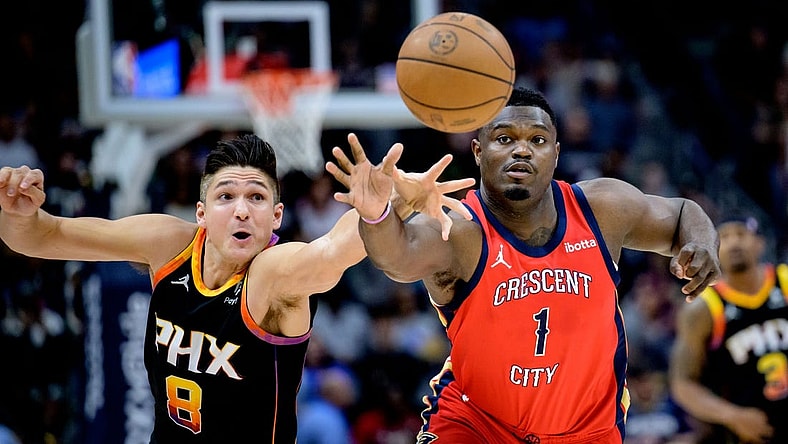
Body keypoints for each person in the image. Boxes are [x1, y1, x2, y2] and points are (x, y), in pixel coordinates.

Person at [0, 133, 474, 443]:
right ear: (202, 212)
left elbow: (329, 254)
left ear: (277, 217)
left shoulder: (271, 276)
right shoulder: (167, 244)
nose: (242, 210)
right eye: (226, 196)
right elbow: (44, 235)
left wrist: (381, 209)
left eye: (256, 197)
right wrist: (16, 211)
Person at [326, 86, 721, 443]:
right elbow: (397, 257)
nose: (522, 150)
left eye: (537, 139)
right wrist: (378, 213)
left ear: (556, 153)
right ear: (478, 151)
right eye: (504, 139)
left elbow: (683, 212)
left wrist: (702, 245)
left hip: (588, 431)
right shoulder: (460, 228)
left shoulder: (602, 209)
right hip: (477, 425)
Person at [669, 214, 788, 443]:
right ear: (713, 250)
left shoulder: (784, 282)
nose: (733, 243)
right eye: (724, 237)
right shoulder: (703, 309)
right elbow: (682, 384)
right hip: (751, 431)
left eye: (741, 234)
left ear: (759, 243)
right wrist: (732, 416)